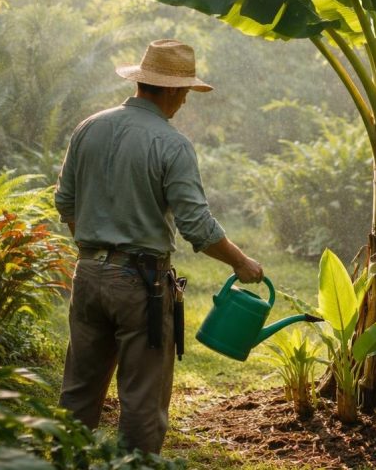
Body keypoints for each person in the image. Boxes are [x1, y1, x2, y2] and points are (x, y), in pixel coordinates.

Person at [53, 39, 263, 454]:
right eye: (184, 92)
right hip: (140, 286)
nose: (184, 101)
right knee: (142, 402)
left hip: (89, 275)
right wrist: (241, 263)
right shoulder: (172, 144)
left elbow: (65, 202)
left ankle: (61, 463)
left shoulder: (89, 127)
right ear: (169, 89)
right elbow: (197, 226)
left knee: (78, 391)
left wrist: (97, 249)